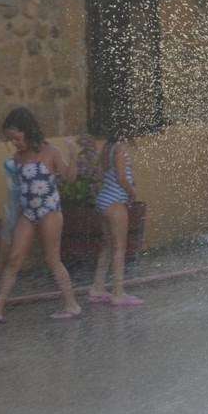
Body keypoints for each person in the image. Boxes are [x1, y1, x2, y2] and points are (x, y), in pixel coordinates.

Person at [0, 107, 82, 323]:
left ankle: (72, 304)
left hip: (49, 210)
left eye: (16, 138)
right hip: (28, 212)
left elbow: (70, 178)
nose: (15, 143)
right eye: (11, 140)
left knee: (52, 259)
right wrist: (11, 217)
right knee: (14, 259)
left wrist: (73, 155)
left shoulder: (50, 152)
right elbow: (17, 191)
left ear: (27, 131)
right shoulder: (17, 158)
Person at [88, 127, 143, 307]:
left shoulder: (109, 147)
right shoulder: (120, 148)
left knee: (109, 246)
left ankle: (97, 287)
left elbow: (107, 174)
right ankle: (118, 292)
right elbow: (121, 177)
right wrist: (132, 191)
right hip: (115, 202)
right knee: (120, 247)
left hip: (104, 200)